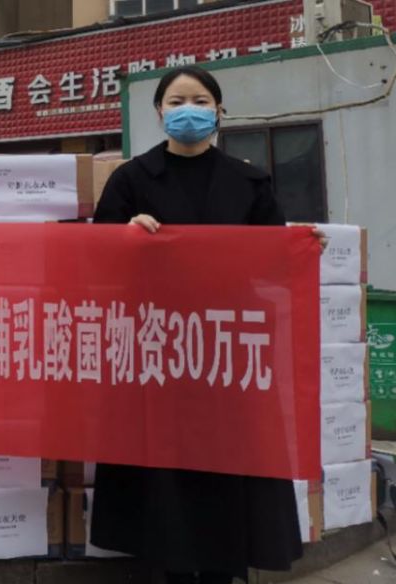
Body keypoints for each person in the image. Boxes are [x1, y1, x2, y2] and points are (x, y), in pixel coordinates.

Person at [89, 66, 306, 584]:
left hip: (227, 348)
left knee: (226, 466)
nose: (189, 109)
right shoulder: (131, 180)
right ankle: (170, 570)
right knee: (165, 470)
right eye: (177, 100)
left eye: (201, 100)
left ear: (219, 111)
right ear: (159, 111)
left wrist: (304, 247)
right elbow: (96, 256)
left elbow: (272, 259)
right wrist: (124, 234)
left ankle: (221, 571)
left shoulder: (250, 181)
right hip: (158, 348)